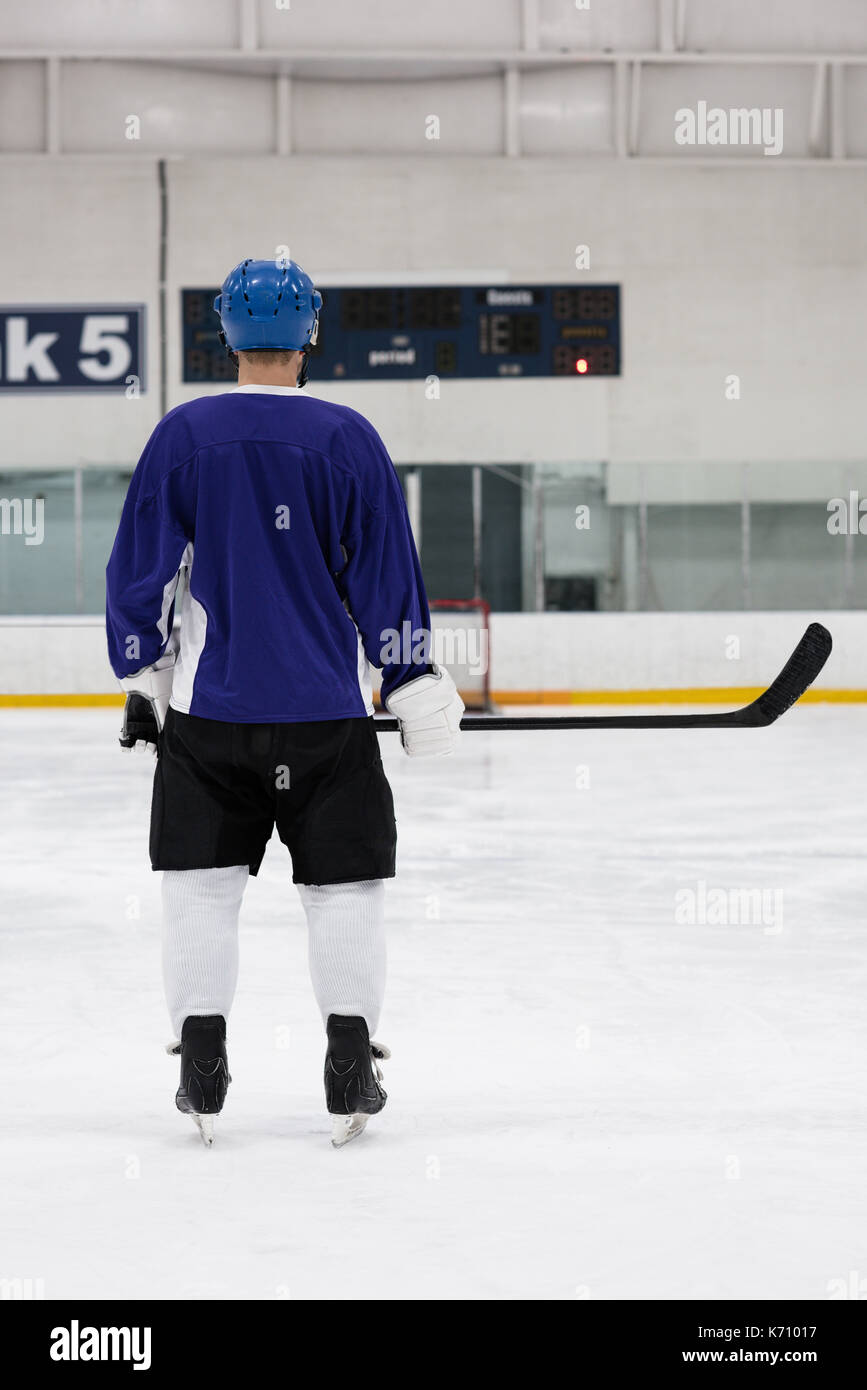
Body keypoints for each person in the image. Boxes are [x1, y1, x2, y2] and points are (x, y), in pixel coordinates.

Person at [105, 256, 463, 1147]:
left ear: (224, 334)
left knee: (198, 889)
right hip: (323, 722)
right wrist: (411, 676)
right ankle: (349, 1053)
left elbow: (140, 573)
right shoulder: (348, 438)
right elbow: (386, 577)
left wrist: (145, 681)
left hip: (208, 720)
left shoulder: (183, 436)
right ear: (311, 335)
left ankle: (200, 1051)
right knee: (345, 893)